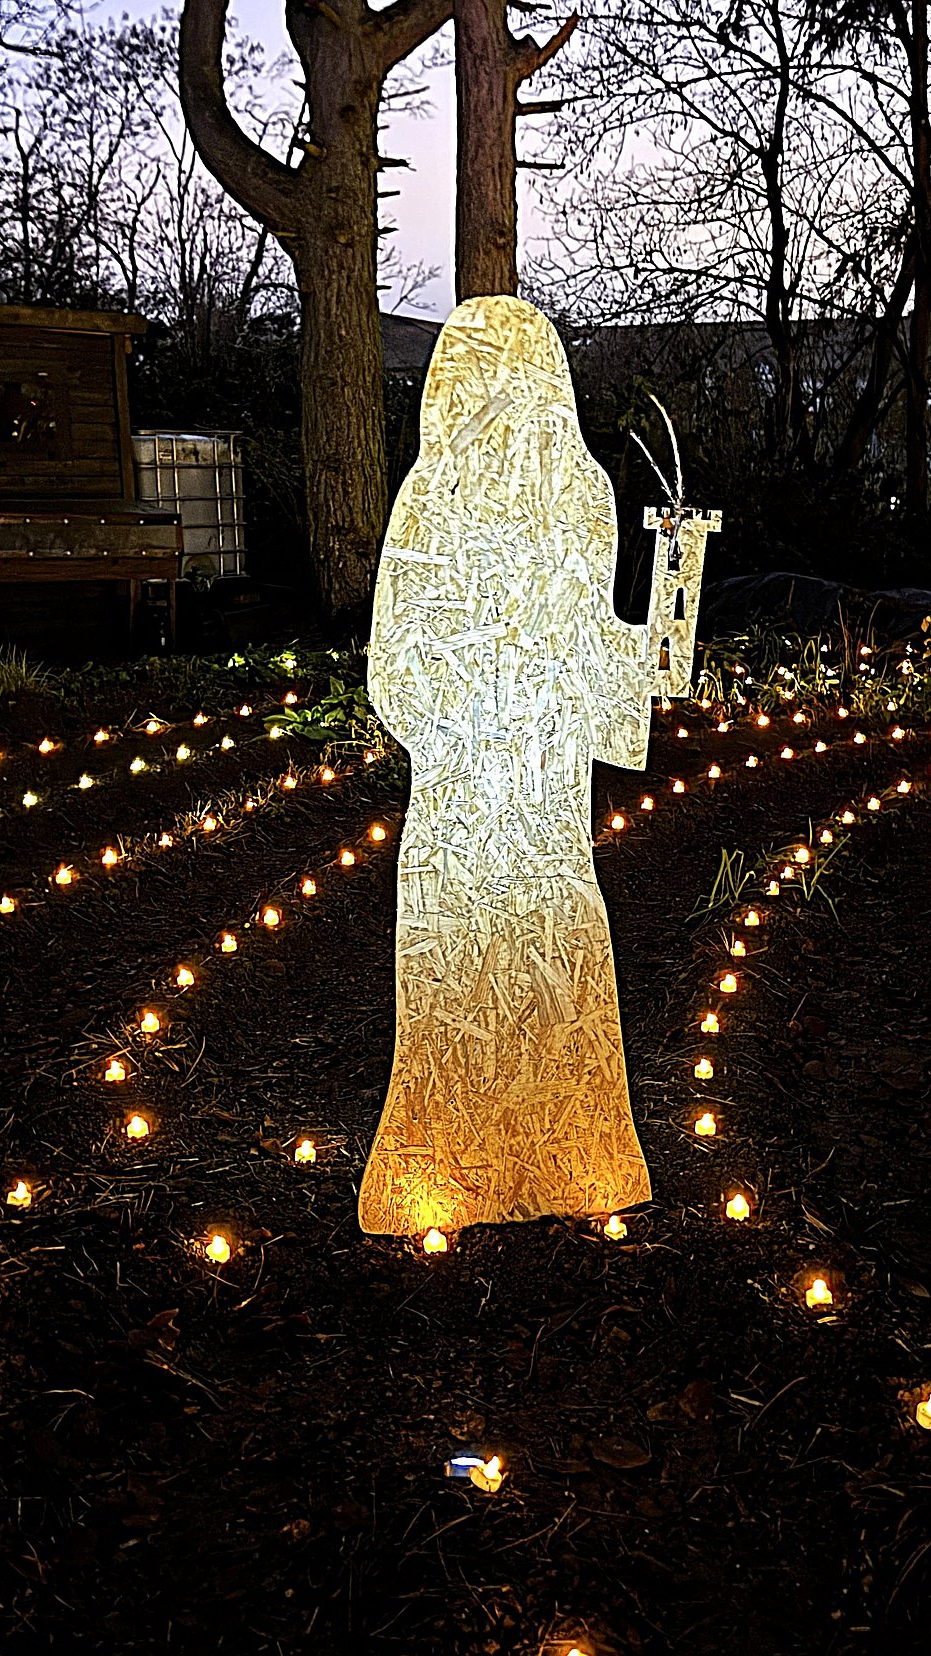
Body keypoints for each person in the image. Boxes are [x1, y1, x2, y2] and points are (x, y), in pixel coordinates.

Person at [358, 297, 699, 1235]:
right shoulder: (433, 509)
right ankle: (450, 1168)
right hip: (471, 817)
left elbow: (606, 670)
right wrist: (481, 696)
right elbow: (399, 672)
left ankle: (570, 1159)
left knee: (550, 968)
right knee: (461, 979)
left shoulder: (577, 505)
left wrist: (675, 588)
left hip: (539, 818)